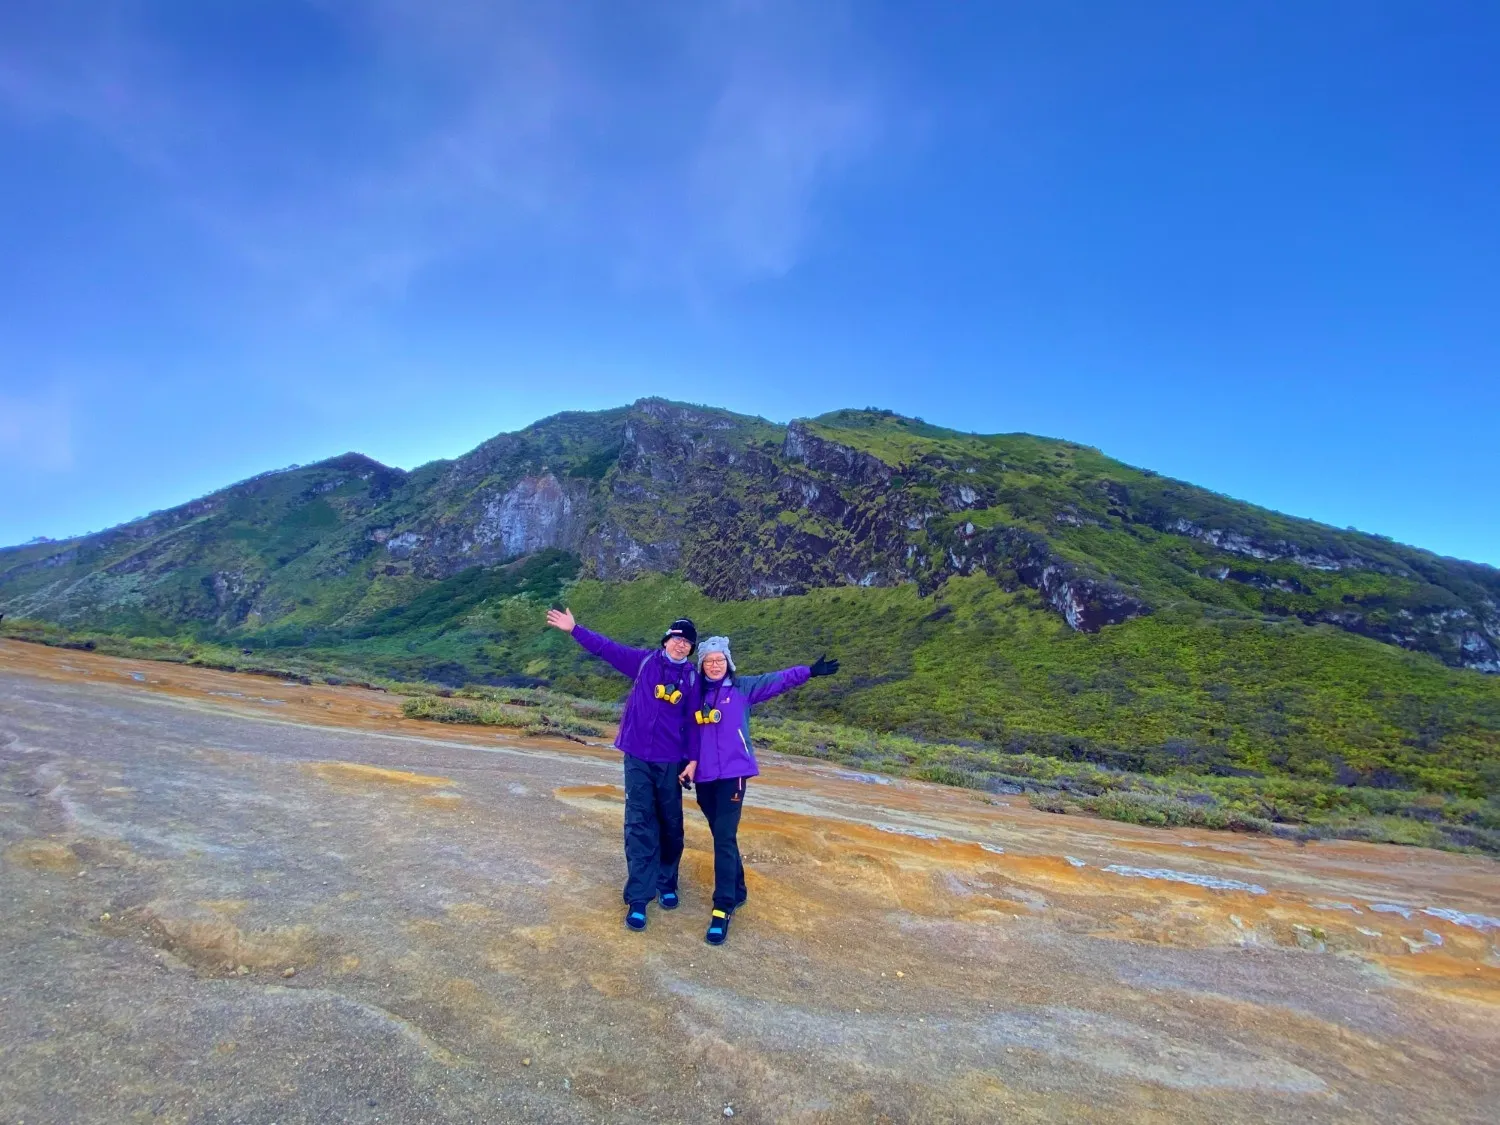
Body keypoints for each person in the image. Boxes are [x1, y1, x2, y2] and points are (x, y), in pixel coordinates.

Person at [679, 636, 839, 946]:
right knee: (722, 836)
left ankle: (722, 907)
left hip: (734, 775)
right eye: (709, 661)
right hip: (705, 778)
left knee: (724, 837)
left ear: (728, 662)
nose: (714, 665)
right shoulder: (695, 692)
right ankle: (738, 891)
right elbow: (686, 731)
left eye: (719, 660)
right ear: (702, 665)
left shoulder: (743, 688)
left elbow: (777, 680)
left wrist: (808, 671)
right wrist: (685, 764)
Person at [546, 607, 698, 931]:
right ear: (666, 640)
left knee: (671, 824)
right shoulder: (643, 663)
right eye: (676, 638)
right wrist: (575, 629)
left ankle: (667, 881)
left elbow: (695, 724)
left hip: (671, 760)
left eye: (687, 642)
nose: (681, 645)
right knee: (640, 821)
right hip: (638, 756)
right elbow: (606, 648)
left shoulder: (693, 679)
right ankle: (639, 898)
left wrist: (693, 760)